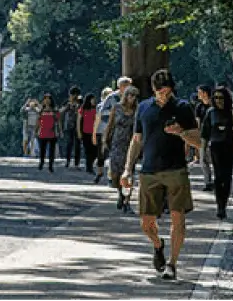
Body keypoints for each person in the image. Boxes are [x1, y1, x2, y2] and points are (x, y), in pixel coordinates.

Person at [121, 69, 205, 281]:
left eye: (168, 92)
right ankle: (158, 245)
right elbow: (137, 139)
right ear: (153, 90)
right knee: (146, 223)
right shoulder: (143, 108)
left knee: (178, 218)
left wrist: (181, 133)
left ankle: (172, 264)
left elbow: (198, 141)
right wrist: (127, 169)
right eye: (161, 92)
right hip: (149, 170)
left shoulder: (183, 107)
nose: (164, 96)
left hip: (176, 169)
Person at [204, 86, 233, 219]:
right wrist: (202, 151)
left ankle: (224, 204)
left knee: (227, 177)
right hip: (215, 148)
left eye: (221, 97)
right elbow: (205, 133)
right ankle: (219, 206)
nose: (218, 100)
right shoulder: (210, 112)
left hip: (229, 147)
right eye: (216, 98)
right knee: (218, 177)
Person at [100, 76, 140, 211]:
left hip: (131, 144)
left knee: (129, 172)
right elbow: (110, 125)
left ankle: (127, 201)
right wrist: (105, 139)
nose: (132, 98)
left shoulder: (137, 111)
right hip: (117, 142)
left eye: (135, 96)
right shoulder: (116, 108)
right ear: (126, 95)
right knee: (116, 173)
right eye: (130, 95)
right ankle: (120, 194)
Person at [35, 96, 60, 171]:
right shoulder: (41, 110)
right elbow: (38, 121)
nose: (47, 100)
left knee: (51, 150)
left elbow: (58, 121)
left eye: (49, 99)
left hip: (52, 132)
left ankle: (50, 165)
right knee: (42, 149)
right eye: (45, 99)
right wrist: (36, 130)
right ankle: (41, 162)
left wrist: (59, 131)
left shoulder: (54, 110)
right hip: (43, 132)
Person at [81, 91, 103, 176]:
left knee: (94, 151)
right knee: (88, 150)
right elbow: (79, 121)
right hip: (85, 132)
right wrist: (79, 132)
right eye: (92, 99)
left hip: (94, 132)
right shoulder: (83, 109)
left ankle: (90, 164)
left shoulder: (96, 109)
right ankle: (88, 167)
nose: (93, 101)